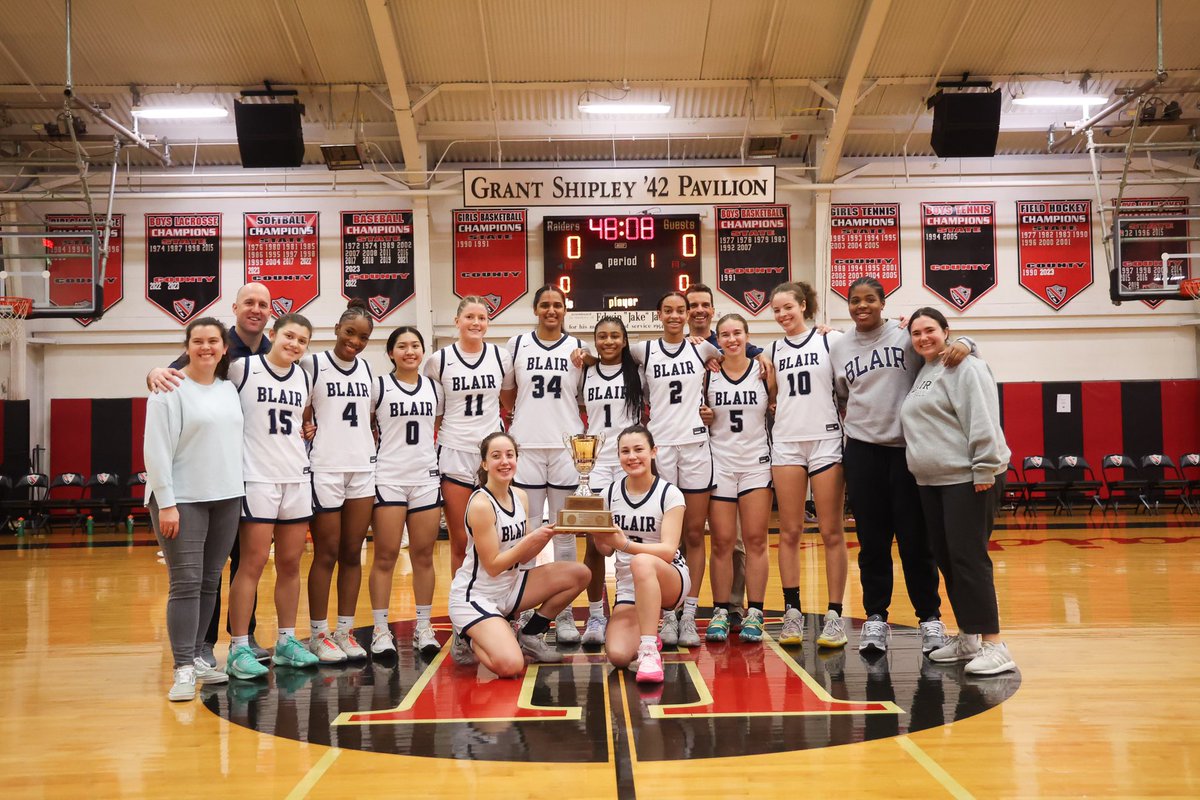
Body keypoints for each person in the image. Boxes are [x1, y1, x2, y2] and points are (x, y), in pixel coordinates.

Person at [830, 276, 971, 654]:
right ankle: (875, 618)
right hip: (862, 451)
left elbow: (941, 346)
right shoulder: (840, 346)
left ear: (883, 302)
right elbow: (844, 394)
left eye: (870, 299)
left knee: (915, 541)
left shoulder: (905, 335)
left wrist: (967, 342)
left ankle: (929, 618)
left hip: (907, 452)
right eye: (855, 300)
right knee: (872, 542)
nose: (862, 306)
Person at [147, 282, 274, 666]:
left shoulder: (274, 352)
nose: (255, 309)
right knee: (202, 576)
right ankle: (198, 649)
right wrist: (153, 372)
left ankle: (242, 637)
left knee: (242, 564)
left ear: (271, 312)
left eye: (263, 304)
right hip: (195, 487)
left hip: (242, 482)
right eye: (248, 302)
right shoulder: (212, 346)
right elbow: (168, 381)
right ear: (235, 308)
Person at [900, 308, 1016, 675]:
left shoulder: (966, 366)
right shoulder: (926, 370)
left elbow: (982, 417)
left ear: (946, 331)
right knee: (949, 561)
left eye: (930, 330)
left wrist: (983, 466)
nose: (923, 338)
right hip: (933, 482)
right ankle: (969, 636)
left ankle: (996, 644)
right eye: (916, 333)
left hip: (969, 478)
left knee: (969, 560)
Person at [143, 317, 244, 701]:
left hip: (226, 497)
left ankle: (201, 659)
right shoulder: (169, 387)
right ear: (186, 346)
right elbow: (155, 449)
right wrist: (166, 503)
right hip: (181, 501)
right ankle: (182, 667)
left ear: (223, 348)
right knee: (184, 584)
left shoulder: (228, 389)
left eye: (213, 341)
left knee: (209, 581)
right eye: (198, 341)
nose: (206, 347)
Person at [224, 313, 321, 679]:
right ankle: (238, 646)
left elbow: (303, 421)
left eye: (302, 340)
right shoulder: (242, 368)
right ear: (273, 334)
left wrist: (308, 428)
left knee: (291, 564)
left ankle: (284, 640)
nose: (294, 344)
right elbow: (193, 374)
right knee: (252, 563)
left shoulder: (304, 377)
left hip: (296, 477)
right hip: (257, 478)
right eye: (289, 336)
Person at [447, 432, 590, 676]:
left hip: (511, 589)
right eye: (496, 456)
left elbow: (524, 557)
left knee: (579, 574)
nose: (504, 461)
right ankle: (466, 636)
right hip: (477, 596)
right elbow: (492, 566)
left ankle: (531, 632)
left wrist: (553, 532)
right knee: (511, 665)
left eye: (510, 455)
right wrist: (532, 539)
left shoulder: (520, 496)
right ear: (484, 464)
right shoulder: (481, 504)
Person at [500, 285, 588, 644]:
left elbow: (583, 394)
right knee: (529, 534)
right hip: (528, 446)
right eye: (545, 305)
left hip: (568, 447)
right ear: (535, 309)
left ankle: (562, 613)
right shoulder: (517, 344)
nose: (551, 310)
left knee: (565, 533)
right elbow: (508, 392)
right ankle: (522, 612)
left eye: (558, 305)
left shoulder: (579, 348)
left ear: (565, 310)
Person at [632, 291, 719, 648]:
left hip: (696, 446)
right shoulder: (644, 350)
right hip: (661, 448)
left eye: (679, 310)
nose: (674, 316)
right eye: (667, 310)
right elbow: (606, 351)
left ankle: (691, 614)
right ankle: (669, 612)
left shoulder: (703, 349)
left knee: (695, 534)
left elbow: (747, 353)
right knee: (664, 538)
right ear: (658, 314)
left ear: (687, 315)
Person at [767, 282, 850, 649]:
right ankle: (792, 612)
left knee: (832, 530)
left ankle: (834, 615)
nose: (783, 314)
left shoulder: (831, 340)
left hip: (825, 438)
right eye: (776, 310)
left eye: (788, 307)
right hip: (786, 441)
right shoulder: (771, 349)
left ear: (803, 305)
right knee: (789, 531)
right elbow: (770, 395)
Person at [302, 298, 378, 662]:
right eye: (350, 333)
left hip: (362, 469)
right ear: (336, 329)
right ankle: (318, 634)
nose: (355, 342)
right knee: (326, 553)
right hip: (325, 468)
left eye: (363, 337)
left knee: (353, 553)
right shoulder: (311, 364)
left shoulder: (367, 370)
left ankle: (345, 631)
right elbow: (298, 411)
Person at [685, 284, 763, 628]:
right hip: (695, 452)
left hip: (744, 459)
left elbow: (762, 359)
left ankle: (733, 605)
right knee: (693, 535)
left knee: (739, 541)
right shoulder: (680, 350)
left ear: (712, 311)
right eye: (693, 305)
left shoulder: (753, 356)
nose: (699, 310)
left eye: (705, 304)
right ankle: (682, 605)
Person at [590, 425, 688, 684]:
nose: (632, 456)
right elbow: (606, 550)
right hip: (628, 587)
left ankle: (649, 650)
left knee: (642, 562)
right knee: (619, 655)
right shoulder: (610, 493)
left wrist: (625, 545)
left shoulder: (670, 493)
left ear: (653, 452)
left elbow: (668, 551)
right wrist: (598, 535)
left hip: (669, 580)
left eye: (638, 450)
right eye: (625, 451)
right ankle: (648, 633)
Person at [369, 326, 444, 657]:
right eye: (402, 346)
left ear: (423, 350)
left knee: (424, 555)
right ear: (390, 353)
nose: (410, 351)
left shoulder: (434, 388)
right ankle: (380, 630)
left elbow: (438, 423)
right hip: (389, 475)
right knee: (385, 555)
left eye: (415, 345)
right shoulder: (379, 386)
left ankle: (423, 626)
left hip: (425, 475)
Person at [425, 296, 513, 575]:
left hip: (492, 454)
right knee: (461, 540)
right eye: (470, 317)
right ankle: (461, 607)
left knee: (499, 537)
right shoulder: (438, 361)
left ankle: (501, 603)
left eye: (482, 318)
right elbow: (434, 411)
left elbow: (510, 401)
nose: (476, 323)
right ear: (457, 322)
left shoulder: (501, 357)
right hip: (453, 449)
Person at [577, 316, 646, 646]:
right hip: (596, 463)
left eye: (615, 336)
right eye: (602, 336)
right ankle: (595, 614)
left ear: (624, 339)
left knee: (634, 538)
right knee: (596, 542)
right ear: (594, 340)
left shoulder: (638, 369)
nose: (608, 341)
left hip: (630, 460)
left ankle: (634, 606)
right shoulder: (585, 370)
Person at [704, 313, 773, 643]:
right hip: (720, 464)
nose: (731, 339)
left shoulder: (764, 369)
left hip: (756, 462)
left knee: (757, 541)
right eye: (724, 335)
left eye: (737, 333)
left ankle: (756, 612)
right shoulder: (709, 373)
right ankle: (720, 610)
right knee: (722, 543)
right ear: (717, 339)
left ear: (747, 336)